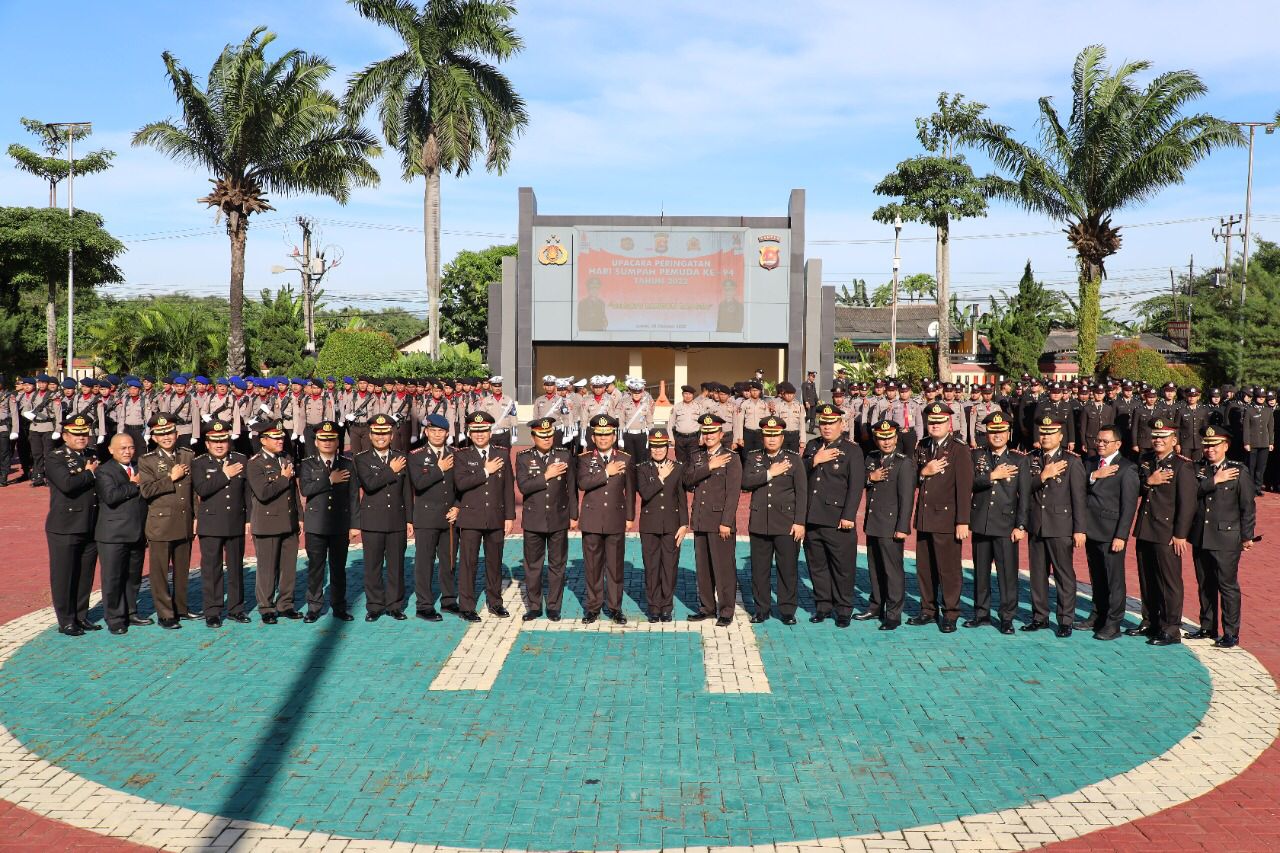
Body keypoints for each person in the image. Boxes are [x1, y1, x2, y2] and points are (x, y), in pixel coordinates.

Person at [1187, 424, 1256, 648]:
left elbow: (1247, 506)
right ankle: (1207, 626)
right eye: (1206, 445)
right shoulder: (1199, 469)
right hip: (1201, 535)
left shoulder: (1239, 470)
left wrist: (1247, 536)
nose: (1209, 449)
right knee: (1204, 583)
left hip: (1226, 537)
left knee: (1227, 585)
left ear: (1225, 446)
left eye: (1214, 445)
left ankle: (1230, 632)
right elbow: (1190, 494)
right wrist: (1214, 480)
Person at [1131, 418, 1196, 646]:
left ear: (1174, 441)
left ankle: (1171, 628)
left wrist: (1180, 534)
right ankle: (1150, 621)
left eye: (1163, 437)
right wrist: (1150, 481)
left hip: (1167, 532)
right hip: (1146, 527)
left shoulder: (1182, 465)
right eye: (1155, 436)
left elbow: (1187, 504)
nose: (1158, 440)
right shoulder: (1146, 460)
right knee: (1147, 578)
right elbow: (1136, 489)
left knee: (1169, 582)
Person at [910, 402, 974, 633]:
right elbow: (913, 479)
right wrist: (923, 472)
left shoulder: (959, 449)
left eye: (939, 422)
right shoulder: (923, 446)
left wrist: (963, 521)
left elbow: (964, 488)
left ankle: (950, 613)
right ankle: (927, 610)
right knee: (924, 568)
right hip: (925, 516)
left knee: (948, 569)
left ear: (950, 423)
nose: (935, 425)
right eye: (931, 422)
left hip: (948, 520)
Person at [800, 403, 864, 627]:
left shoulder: (852, 450)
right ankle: (823, 606)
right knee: (817, 565)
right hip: (812, 515)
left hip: (837, 519)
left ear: (841, 424)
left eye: (831, 423)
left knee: (842, 567)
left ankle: (844, 608)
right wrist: (814, 460)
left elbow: (856, 486)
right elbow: (800, 475)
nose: (826, 427)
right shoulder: (812, 445)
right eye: (823, 423)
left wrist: (848, 515)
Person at [966, 411, 1030, 634]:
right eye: (993, 432)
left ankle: (1006, 617)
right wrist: (991, 476)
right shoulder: (976, 456)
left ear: (1008, 432)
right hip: (981, 522)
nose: (997, 436)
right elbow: (968, 485)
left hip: (1006, 525)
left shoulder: (1019, 459)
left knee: (1007, 574)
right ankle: (981, 614)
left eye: (1001, 431)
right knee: (981, 573)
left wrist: (1020, 525)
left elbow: (1025, 495)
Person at [1023, 415, 1086, 636]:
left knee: (1063, 575)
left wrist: (1079, 529)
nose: (1046, 437)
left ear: (1060, 436)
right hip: (1037, 525)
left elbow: (1079, 498)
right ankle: (1039, 617)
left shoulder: (1072, 461)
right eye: (1043, 433)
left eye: (1051, 433)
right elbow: (1022, 490)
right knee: (1037, 575)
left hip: (1061, 525)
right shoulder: (1029, 458)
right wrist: (1043, 476)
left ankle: (1065, 619)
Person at [741, 415, 806, 625]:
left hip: (786, 523)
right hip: (760, 522)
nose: (771, 439)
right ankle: (762, 609)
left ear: (782, 436)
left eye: (775, 435)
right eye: (767, 435)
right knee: (760, 570)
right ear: (762, 437)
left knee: (787, 569)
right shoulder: (753, 457)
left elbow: (802, 492)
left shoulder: (793, 459)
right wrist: (769, 473)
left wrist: (800, 522)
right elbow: (746, 482)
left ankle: (787, 610)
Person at [453, 411, 516, 621]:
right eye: (475, 431)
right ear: (470, 433)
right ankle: (467, 606)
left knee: (494, 563)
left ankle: (495, 602)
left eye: (483, 430)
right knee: (468, 564)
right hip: (471, 518)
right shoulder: (461, 455)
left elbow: (508, 487)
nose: (480, 434)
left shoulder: (502, 454)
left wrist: (509, 516)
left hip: (496, 517)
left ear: (490, 432)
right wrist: (485, 471)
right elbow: (460, 484)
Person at [1080, 425, 1139, 641]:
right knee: (1097, 576)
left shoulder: (1127, 468)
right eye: (1098, 440)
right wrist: (1095, 475)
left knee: (1114, 579)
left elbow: (1129, 506)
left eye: (1105, 441)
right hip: (1091, 529)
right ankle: (1097, 615)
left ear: (1117, 444)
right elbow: (1078, 486)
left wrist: (1121, 536)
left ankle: (1113, 623)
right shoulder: (1090, 463)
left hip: (1111, 532)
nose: (1100, 444)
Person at [190, 419, 252, 627]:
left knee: (235, 568)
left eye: (223, 440)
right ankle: (213, 610)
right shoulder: (199, 463)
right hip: (211, 523)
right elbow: (203, 489)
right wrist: (225, 474)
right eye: (214, 441)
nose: (219, 445)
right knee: (212, 569)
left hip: (235, 520)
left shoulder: (241, 459)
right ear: (207, 443)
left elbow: (247, 493)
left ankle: (236, 608)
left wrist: (249, 520)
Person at [138, 413, 197, 629]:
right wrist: (170, 477)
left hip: (183, 521)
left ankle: (181, 608)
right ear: (154, 437)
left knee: (183, 570)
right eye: (161, 434)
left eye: (170, 433)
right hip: (160, 524)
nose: (166, 437)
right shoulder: (147, 461)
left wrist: (195, 516)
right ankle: (165, 613)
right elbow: (146, 490)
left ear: (177, 433)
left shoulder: (187, 455)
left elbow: (193, 491)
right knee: (161, 572)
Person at [352, 413, 413, 621]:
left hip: (396, 519)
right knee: (373, 566)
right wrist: (390, 470)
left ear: (392, 435)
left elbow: (407, 491)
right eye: (377, 434)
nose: (381, 437)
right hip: (372, 520)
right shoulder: (361, 458)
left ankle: (395, 605)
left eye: (385, 433)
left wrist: (409, 519)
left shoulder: (401, 457)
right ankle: (375, 606)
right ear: (370, 435)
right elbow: (369, 484)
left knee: (396, 565)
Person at [684, 413, 743, 627]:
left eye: (712, 432)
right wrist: (709, 466)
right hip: (700, 519)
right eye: (705, 432)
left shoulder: (731, 457)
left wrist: (727, 521)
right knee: (704, 568)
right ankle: (706, 608)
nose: (709, 436)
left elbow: (733, 493)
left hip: (720, 522)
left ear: (721, 434)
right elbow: (687, 479)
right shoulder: (697, 456)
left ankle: (726, 610)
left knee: (724, 568)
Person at [516, 416, 577, 621]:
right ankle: (534, 606)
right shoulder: (523, 457)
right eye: (542, 436)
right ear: (533, 436)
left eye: (550, 434)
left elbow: (571, 488)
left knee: (557, 565)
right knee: (533, 565)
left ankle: (553, 606)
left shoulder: (564, 455)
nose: (547, 438)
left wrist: (573, 515)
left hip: (558, 518)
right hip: (534, 519)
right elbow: (524, 487)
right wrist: (546, 475)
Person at [576, 413, 635, 624]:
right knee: (592, 567)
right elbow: (583, 483)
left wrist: (630, 517)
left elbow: (630, 490)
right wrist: (606, 472)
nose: (603, 438)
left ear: (614, 435)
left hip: (615, 519)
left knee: (615, 567)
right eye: (599, 435)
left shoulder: (625, 458)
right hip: (592, 520)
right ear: (593, 437)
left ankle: (615, 607)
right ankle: (593, 607)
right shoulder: (583, 459)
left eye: (607, 434)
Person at [45, 414, 100, 636]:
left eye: (84, 434)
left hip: (90, 523)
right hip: (65, 525)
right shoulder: (55, 457)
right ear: (65, 435)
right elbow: (67, 484)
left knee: (85, 574)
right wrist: (89, 473)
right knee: (64, 574)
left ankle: (81, 615)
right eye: (76, 435)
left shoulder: (91, 454)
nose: (81, 438)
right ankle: (66, 620)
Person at [860, 418, 915, 630]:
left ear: (896, 437)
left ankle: (893, 613)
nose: (886, 442)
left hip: (891, 525)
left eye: (890, 438)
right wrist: (870, 477)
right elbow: (864, 480)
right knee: (874, 568)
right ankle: (875, 606)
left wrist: (903, 527)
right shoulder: (872, 457)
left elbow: (907, 498)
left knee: (892, 571)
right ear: (875, 439)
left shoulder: (903, 462)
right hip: (873, 522)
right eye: (882, 438)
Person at [298, 420, 356, 622]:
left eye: (332, 439)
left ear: (338, 441)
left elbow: (353, 497)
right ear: (316, 442)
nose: (327, 443)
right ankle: (314, 607)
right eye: (323, 439)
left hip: (339, 524)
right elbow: (305, 489)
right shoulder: (307, 464)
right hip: (316, 524)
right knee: (316, 568)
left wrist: (354, 525)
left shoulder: (347, 464)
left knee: (339, 568)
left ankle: (339, 607)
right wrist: (329, 480)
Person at [247, 419, 302, 624]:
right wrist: (283, 478)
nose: (280, 440)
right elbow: (263, 493)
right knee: (267, 568)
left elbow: (293, 492)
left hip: (289, 520)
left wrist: (300, 516)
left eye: (281, 437)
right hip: (268, 522)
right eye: (275, 437)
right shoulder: (255, 463)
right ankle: (266, 607)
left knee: (288, 567)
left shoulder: (286, 457)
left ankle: (286, 604)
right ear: (263, 440)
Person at [95, 433, 149, 634]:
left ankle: (131, 611)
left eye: (131, 448)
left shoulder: (138, 467)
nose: (127, 452)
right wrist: (134, 484)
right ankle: (115, 618)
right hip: (113, 535)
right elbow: (110, 496)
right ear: (111, 450)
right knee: (113, 578)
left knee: (133, 576)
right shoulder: (104, 471)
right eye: (122, 448)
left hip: (136, 532)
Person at [409, 414, 459, 620]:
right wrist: (439, 469)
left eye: (441, 431)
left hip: (449, 517)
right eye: (433, 431)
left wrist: (458, 507)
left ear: (447, 433)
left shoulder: (456, 453)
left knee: (448, 561)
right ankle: (424, 605)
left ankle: (448, 600)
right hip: (426, 517)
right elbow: (419, 483)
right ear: (426, 432)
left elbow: (461, 486)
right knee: (425, 563)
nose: (437, 434)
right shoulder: (416, 455)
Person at [635, 427, 687, 623]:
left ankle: (666, 606)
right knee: (651, 567)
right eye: (654, 447)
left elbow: (681, 498)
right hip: (649, 525)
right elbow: (645, 493)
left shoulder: (678, 467)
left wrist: (684, 524)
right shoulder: (642, 468)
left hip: (672, 525)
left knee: (669, 567)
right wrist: (660, 477)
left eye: (661, 446)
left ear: (668, 447)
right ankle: (654, 607)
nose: (658, 450)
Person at [670, 385, 702, 466]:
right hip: (680, 439)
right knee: (680, 462)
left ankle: (692, 479)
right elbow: (670, 424)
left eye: (690, 394)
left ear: (693, 395)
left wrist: (702, 437)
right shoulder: (677, 407)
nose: (688, 396)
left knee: (693, 461)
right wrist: (671, 439)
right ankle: (681, 478)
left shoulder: (698, 407)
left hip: (694, 438)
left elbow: (704, 424)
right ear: (682, 394)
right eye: (686, 394)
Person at [0, 377, 19, 486]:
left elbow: (15, 414)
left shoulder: (8, 396)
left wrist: (15, 430)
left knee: (4, 454)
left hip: (3, 428)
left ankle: (3, 478)